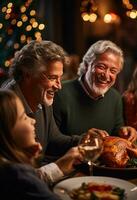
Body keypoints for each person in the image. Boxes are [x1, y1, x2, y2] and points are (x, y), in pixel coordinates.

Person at [1, 40, 89, 183]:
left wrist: (84, 140)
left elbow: (54, 139)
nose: (59, 86)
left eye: (60, 78)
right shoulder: (7, 108)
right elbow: (12, 182)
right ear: (27, 74)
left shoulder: (41, 95)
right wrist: (58, 168)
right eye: (52, 78)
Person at [0, 89, 82, 199]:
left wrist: (28, 159)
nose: (33, 121)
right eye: (23, 117)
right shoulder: (16, 175)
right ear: (6, 132)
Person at [53, 40, 137, 142]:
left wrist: (124, 132)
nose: (106, 75)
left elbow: (116, 131)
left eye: (113, 71)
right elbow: (51, 140)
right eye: (101, 67)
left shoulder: (115, 97)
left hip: (103, 157)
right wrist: (83, 140)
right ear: (86, 65)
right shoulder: (59, 93)